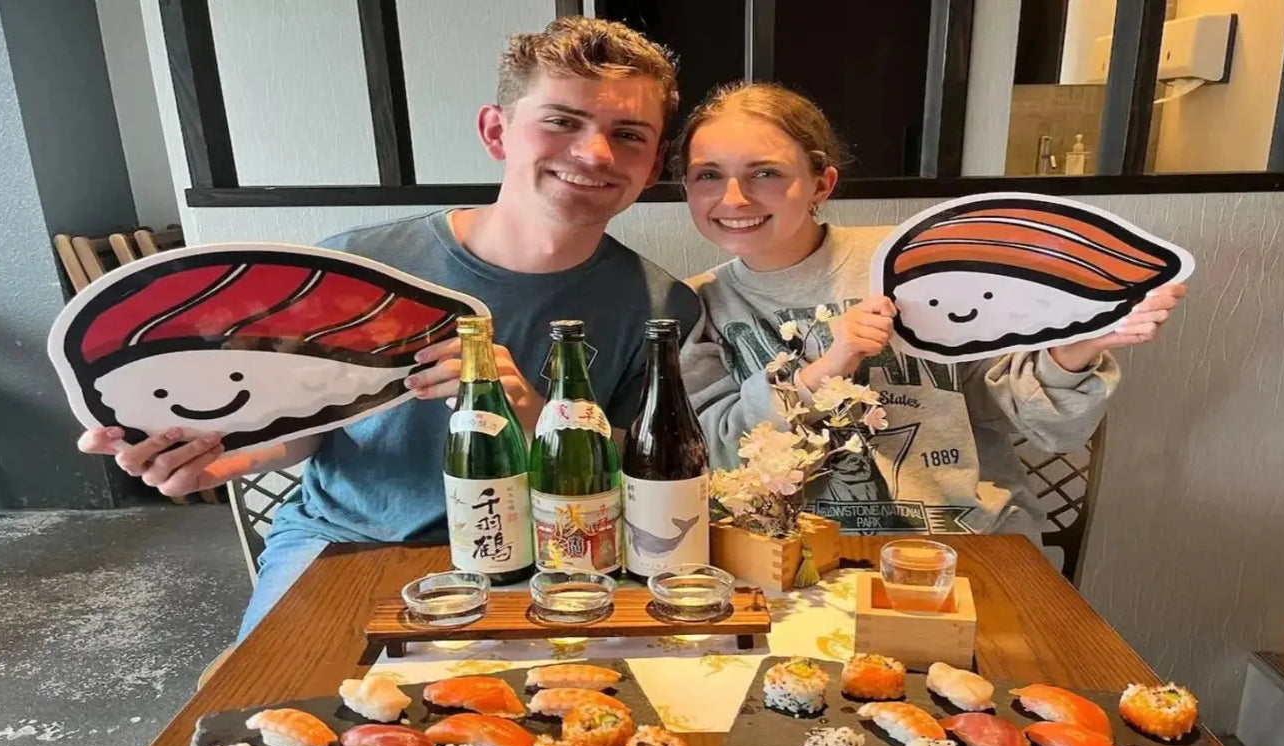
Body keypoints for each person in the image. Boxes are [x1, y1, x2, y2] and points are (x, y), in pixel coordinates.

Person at [76, 18, 699, 638]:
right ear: (496, 131)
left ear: (650, 168)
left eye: (628, 135)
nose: (594, 154)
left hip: (550, 562)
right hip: (349, 541)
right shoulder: (350, 270)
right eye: (562, 121)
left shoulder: (659, 305)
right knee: (275, 713)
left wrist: (539, 414)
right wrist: (216, 463)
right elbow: (308, 428)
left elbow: (649, 470)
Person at [677, 83, 1185, 538]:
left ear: (821, 183)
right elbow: (718, 457)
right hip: (786, 558)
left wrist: (1077, 348)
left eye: (765, 172)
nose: (734, 197)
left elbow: (1052, 429)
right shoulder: (691, 306)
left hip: (969, 546)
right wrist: (829, 366)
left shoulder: (914, 266)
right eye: (708, 175)